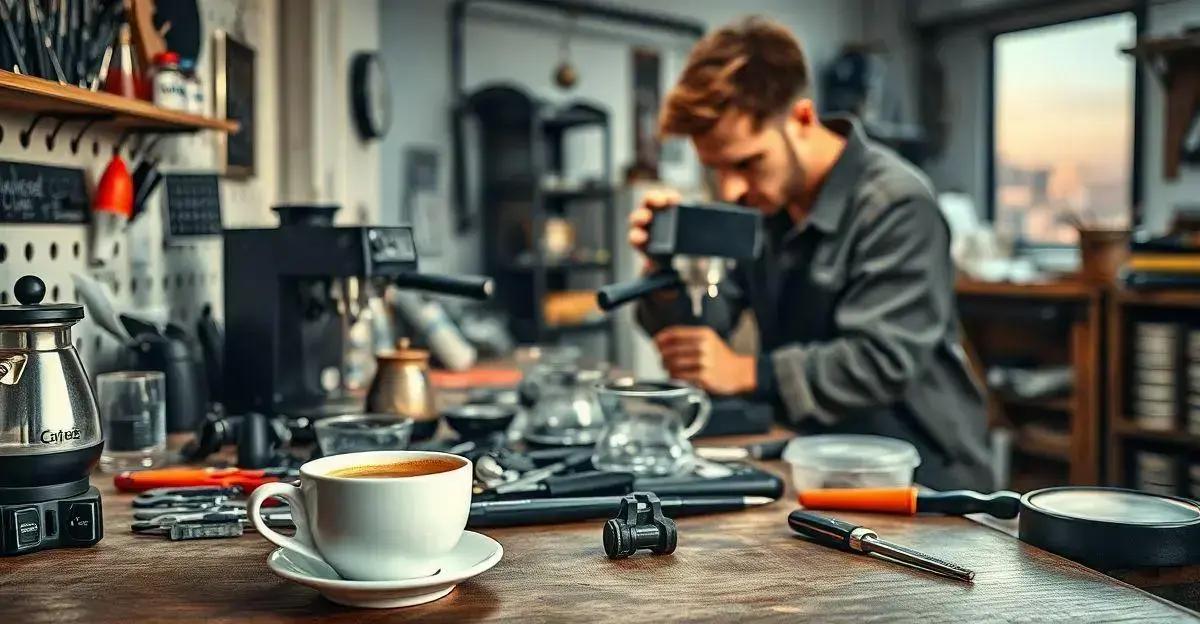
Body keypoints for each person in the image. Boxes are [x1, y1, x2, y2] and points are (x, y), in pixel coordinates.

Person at [631, 16, 993, 491]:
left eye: (747, 162)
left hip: (924, 480)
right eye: (716, 169)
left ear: (801, 119)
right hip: (819, 465)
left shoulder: (896, 203)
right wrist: (669, 271)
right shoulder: (765, 208)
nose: (732, 189)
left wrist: (744, 371)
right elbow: (707, 328)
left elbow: (881, 360)